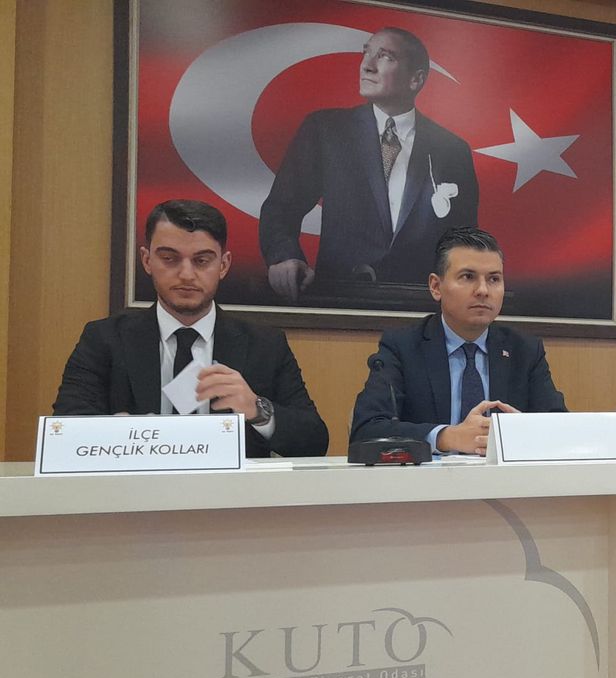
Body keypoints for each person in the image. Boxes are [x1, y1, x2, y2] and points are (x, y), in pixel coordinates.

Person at [53, 199, 329, 458]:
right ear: (147, 261)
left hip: (231, 493)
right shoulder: (105, 340)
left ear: (223, 265)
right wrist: (117, 434)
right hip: (135, 490)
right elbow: (65, 432)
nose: (186, 274)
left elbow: (315, 442)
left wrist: (257, 409)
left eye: (201, 261)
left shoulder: (264, 345)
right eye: (169, 258)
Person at [259, 27, 479, 300]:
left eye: (385, 56)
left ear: (416, 79)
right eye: (366, 53)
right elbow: (281, 208)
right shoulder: (326, 130)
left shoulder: (452, 150)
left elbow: (463, 239)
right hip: (339, 299)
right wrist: (284, 256)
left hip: (421, 303)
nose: (366, 65)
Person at [350, 227, 566, 455]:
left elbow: (563, 429)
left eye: (494, 279)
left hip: (504, 478)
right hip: (432, 478)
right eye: (468, 277)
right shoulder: (403, 347)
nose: (483, 290)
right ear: (436, 287)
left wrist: (526, 433)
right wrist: (446, 437)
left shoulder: (524, 351)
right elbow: (366, 431)